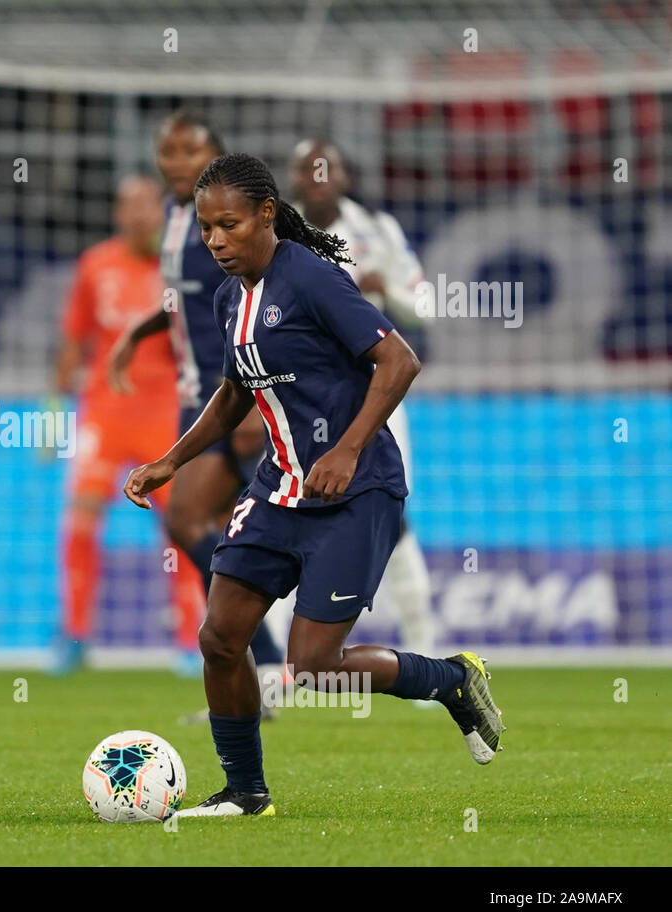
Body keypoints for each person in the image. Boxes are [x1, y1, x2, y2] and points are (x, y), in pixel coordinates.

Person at [124, 153, 505, 817]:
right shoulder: (227, 297)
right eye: (208, 228)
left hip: (356, 492)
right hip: (280, 490)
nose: (215, 240)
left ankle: (451, 679)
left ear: (267, 215)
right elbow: (236, 391)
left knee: (314, 667)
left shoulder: (313, 280)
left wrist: (348, 449)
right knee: (219, 639)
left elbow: (399, 360)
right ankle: (246, 793)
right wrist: (172, 460)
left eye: (230, 225)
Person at [107, 111, 283, 681]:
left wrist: (257, 395)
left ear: (216, 156)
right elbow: (186, 298)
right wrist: (137, 333)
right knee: (222, 530)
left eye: (190, 151)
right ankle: (265, 663)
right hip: (197, 395)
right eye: (168, 150)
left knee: (186, 521)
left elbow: (261, 303)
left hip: (231, 393)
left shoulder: (228, 226)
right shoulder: (177, 218)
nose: (176, 161)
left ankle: (270, 656)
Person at [281, 137, 440, 667]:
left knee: (395, 521)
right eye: (309, 169)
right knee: (285, 517)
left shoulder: (379, 231)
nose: (319, 177)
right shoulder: (277, 233)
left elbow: (422, 307)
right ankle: (279, 669)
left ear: (345, 177)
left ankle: (426, 652)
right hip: (301, 399)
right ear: (296, 179)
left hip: (377, 394)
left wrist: (386, 291)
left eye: (329, 168)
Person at [52, 174, 203, 674]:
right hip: (104, 412)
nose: (138, 215)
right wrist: (53, 407)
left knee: (180, 526)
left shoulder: (180, 267)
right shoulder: (96, 265)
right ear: (118, 214)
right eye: (128, 206)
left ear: (160, 212)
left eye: (146, 205)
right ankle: (74, 635)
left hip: (163, 414)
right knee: (79, 520)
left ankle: (187, 639)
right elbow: (75, 339)